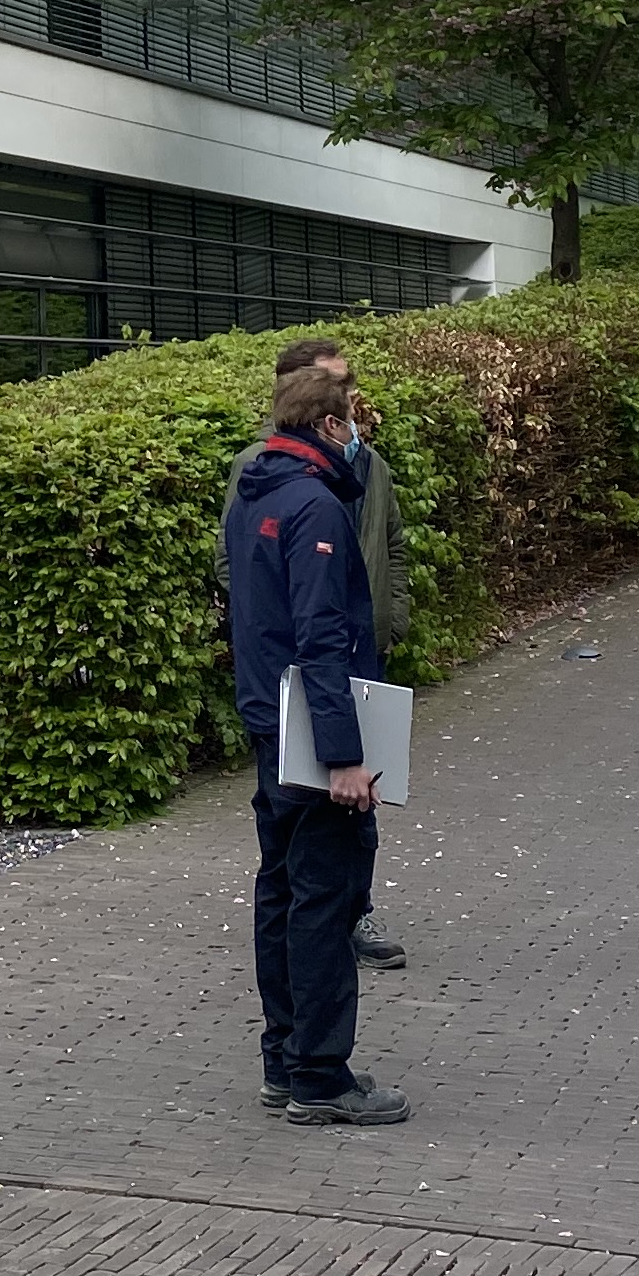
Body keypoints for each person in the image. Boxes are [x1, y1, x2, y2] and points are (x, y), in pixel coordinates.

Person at [223, 354, 408, 1125]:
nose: (357, 435)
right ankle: (321, 1078)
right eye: (352, 421)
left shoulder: (253, 494)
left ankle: (283, 1061)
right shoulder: (317, 507)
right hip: (312, 738)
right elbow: (322, 634)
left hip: (270, 725)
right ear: (329, 425)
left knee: (280, 893)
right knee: (324, 903)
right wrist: (345, 755)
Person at [241, 337, 413, 967]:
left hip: (350, 666)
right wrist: (337, 746)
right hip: (311, 681)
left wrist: (388, 621)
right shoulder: (274, 478)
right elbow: (259, 584)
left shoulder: (366, 467)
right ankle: (327, 956)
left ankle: (353, 910)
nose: (353, 403)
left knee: (343, 825)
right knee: (312, 854)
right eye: (338, 388)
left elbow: (391, 543)